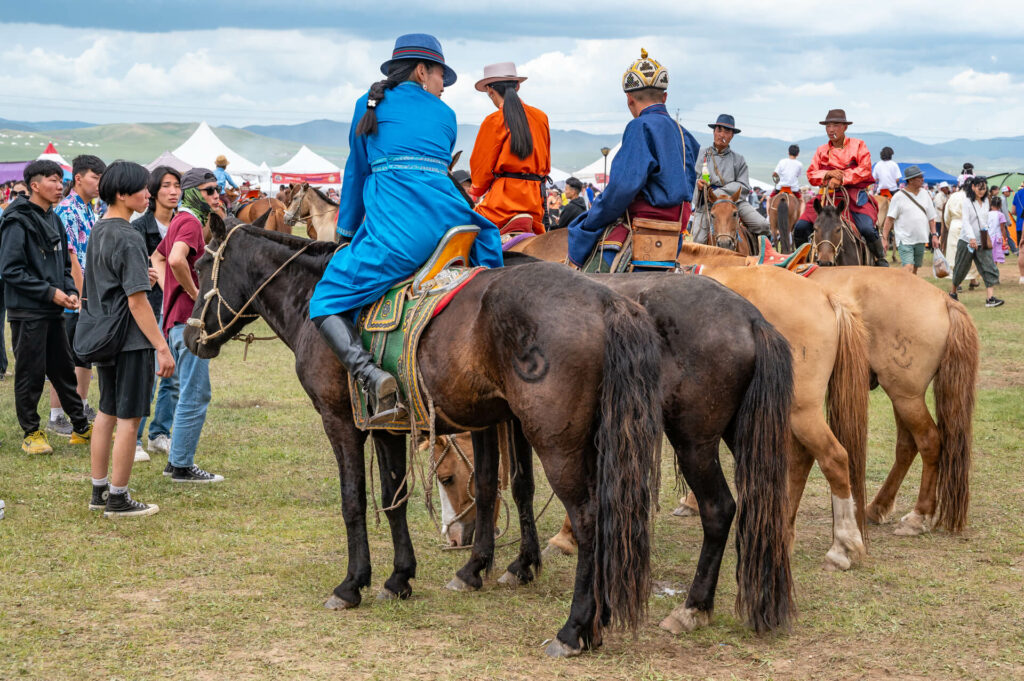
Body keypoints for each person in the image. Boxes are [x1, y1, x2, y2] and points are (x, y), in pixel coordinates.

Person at [308, 33, 503, 426]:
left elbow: (357, 172)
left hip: (403, 231)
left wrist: (346, 233)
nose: (442, 87)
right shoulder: (445, 117)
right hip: (457, 226)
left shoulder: (369, 105)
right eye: (440, 78)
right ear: (421, 70)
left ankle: (370, 375)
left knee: (325, 299)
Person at [85, 161, 176, 517]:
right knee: (129, 418)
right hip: (131, 339)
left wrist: (144, 278)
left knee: (106, 411)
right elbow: (137, 302)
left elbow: (111, 285)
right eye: (143, 189)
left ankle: (99, 491)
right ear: (123, 193)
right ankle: (118, 499)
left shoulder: (99, 230)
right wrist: (162, 346)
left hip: (105, 335)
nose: (148, 195)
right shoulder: (128, 235)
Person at [566, 49, 698, 268]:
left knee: (579, 281)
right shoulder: (685, 135)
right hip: (674, 234)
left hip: (641, 228)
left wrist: (590, 222)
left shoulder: (640, 127)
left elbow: (621, 189)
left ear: (629, 100)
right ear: (664, 97)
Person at [0, 160, 93, 454]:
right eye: (52, 180)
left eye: (60, 180)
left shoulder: (53, 218)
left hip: (54, 308)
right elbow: (11, 269)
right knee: (30, 372)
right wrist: (49, 292)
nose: (58, 186)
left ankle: (80, 426)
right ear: (34, 186)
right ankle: (32, 432)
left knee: (64, 369)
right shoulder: (16, 220)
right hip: (27, 310)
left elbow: (64, 264)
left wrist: (69, 290)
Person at [150, 167, 225, 483]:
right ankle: (181, 466)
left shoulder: (180, 219)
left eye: (216, 189)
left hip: (175, 321)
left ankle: (176, 462)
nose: (216, 195)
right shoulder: (192, 222)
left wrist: (168, 290)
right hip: (187, 322)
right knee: (195, 394)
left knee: (186, 392)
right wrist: (197, 297)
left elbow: (158, 256)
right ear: (194, 192)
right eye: (209, 191)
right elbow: (177, 259)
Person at [49, 154, 105, 436]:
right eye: (95, 178)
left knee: (84, 355)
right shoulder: (69, 210)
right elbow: (72, 260)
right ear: (79, 178)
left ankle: (81, 405)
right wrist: (82, 299)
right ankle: (57, 414)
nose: (99, 184)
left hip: (86, 294)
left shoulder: (88, 208)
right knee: (66, 357)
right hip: (73, 296)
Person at [793, 109, 888, 266]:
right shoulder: (821, 150)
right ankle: (800, 263)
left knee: (867, 229)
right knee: (800, 227)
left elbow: (864, 169)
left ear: (845, 127)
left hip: (852, 199)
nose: (831, 129)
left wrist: (842, 178)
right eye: (828, 125)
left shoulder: (859, 145)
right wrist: (828, 174)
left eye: (835, 125)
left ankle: (880, 260)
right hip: (825, 198)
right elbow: (811, 174)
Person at [131, 166, 181, 462]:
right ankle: (134, 437)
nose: (173, 191)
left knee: (173, 375)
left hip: (176, 309)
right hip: (149, 310)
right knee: (147, 375)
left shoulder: (184, 224)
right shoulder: (139, 229)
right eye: (166, 185)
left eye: (177, 185)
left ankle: (159, 433)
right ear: (153, 191)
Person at [469, 62, 551, 235]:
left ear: (490, 91)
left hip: (503, 202)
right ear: (518, 86)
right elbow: (545, 164)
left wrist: (476, 191)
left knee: (465, 228)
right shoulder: (541, 117)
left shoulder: (493, 120)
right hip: (535, 202)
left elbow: (481, 170)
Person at [690, 114, 769, 245]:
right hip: (708, 205)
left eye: (727, 131)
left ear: (732, 135)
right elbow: (690, 180)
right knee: (698, 240)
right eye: (719, 130)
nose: (722, 135)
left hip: (735, 202)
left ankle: (759, 257)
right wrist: (698, 185)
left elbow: (743, 186)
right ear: (714, 132)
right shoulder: (701, 154)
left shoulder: (739, 159)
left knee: (763, 225)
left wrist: (716, 193)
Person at [951, 176, 1003, 307]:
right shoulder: (967, 202)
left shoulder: (986, 202)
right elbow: (966, 221)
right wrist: (971, 238)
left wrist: (987, 234)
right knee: (961, 267)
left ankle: (990, 299)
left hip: (982, 240)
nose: (982, 191)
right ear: (973, 187)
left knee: (989, 267)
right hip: (966, 241)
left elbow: (984, 221)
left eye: (984, 188)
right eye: (979, 188)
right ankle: (953, 293)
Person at [881, 165, 939, 274]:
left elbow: (931, 218)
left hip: (921, 238)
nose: (923, 179)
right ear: (911, 180)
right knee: (908, 267)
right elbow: (889, 219)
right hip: (905, 239)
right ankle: (903, 290)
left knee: (915, 269)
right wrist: (884, 238)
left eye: (922, 176)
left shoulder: (925, 194)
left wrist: (934, 235)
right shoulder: (898, 197)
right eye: (919, 177)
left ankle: (911, 290)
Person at [998, 186, 1017, 255]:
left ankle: (1007, 250)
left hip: (999, 220)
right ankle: (1014, 250)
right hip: (1001, 221)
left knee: (1003, 235)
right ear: (1005, 192)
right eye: (1009, 192)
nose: (1009, 193)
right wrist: (1008, 221)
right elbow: (1005, 211)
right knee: (1007, 235)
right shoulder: (1003, 199)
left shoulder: (1002, 198)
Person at [989, 196, 1007, 264]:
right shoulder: (1001, 215)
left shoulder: (987, 214)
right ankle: (994, 271)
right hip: (997, 238)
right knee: (995, 257)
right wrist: (1005, 239)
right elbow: (1002, 228)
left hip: (988, 237)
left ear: (991, 205)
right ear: (1000, 205)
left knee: (990, 256)